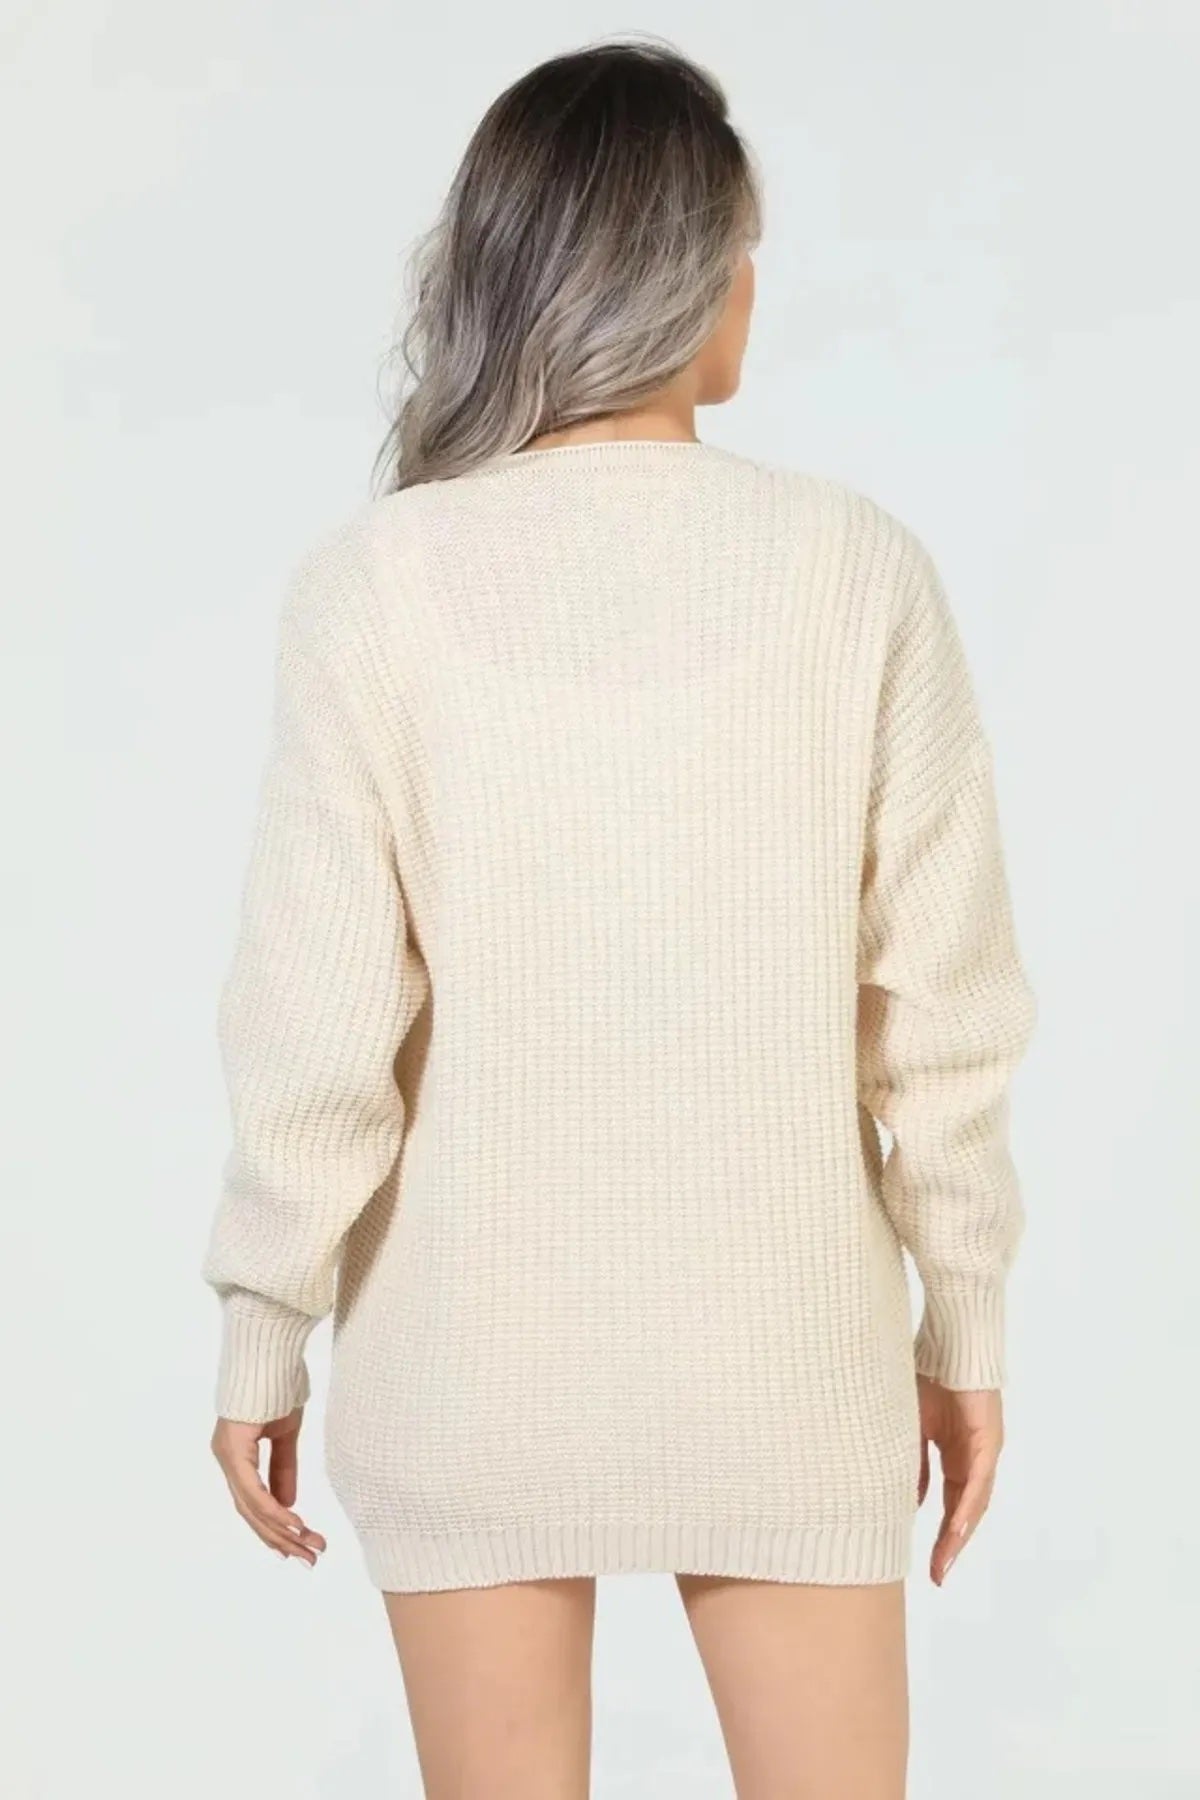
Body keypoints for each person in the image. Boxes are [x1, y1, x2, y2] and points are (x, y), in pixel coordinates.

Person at [201, 37, 1036, 1799]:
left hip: (464, 1365)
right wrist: (961, 1327)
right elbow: (943, 1021)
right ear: (688, 273)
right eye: (744, 251)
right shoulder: (854, 569)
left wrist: (264, 1320)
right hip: (786, 1360)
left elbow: (316, 1023)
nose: (753, 288)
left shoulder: (376, 584)